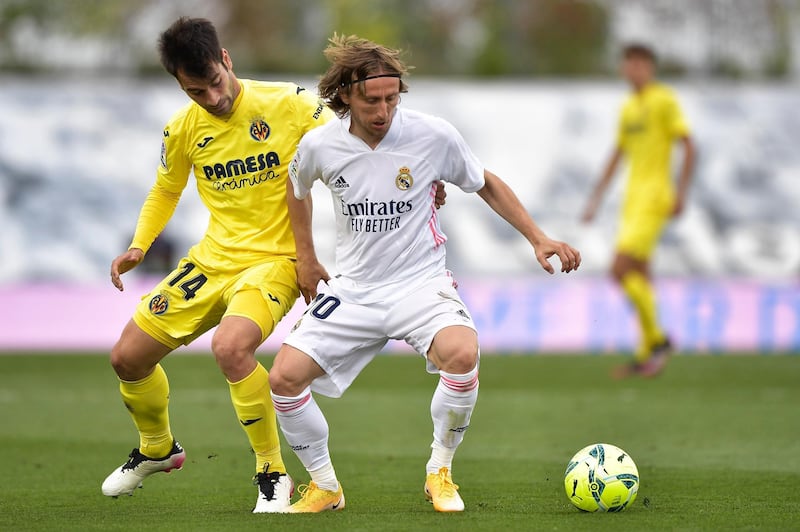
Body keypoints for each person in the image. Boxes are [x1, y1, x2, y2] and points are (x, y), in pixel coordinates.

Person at [268, 34, 581, 514]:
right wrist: (305, 259)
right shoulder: (320, 145)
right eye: (371, 100)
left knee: (462, 352)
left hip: (420, 283)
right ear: (346, 95)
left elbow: (483, 182)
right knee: (284, 379)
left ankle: (440, 470)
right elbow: (297, 187)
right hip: (352, 290)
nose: (382, 110)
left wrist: (537, 237)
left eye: (391, 98)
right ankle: (326, 487)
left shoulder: (432, 135)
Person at [100, 16, 335, 513]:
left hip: (276, 259)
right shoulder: (183, 128)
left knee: (230, 348)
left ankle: (272, 471)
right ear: (180, 85)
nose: (211, 99)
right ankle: (158, 448)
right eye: (195, 91)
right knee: (127, 357)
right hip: (212, 260)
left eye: (213, 83)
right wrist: (140, 246)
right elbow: (167, 188)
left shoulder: (288, 103)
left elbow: (351, 147)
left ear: (226, 60)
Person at [582, 43, 695, 378]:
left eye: (639, 64)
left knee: (619, 269)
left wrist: (681, 192)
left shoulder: (664, 100)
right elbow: (618, 153)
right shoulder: (628, 108)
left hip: (655, 198)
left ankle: (659, 340)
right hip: (632, 200)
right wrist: (596, 199)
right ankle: (648, 354)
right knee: (640, 276)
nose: (632, 70)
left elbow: (688, 145)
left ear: (650, 67)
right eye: (627, 64)